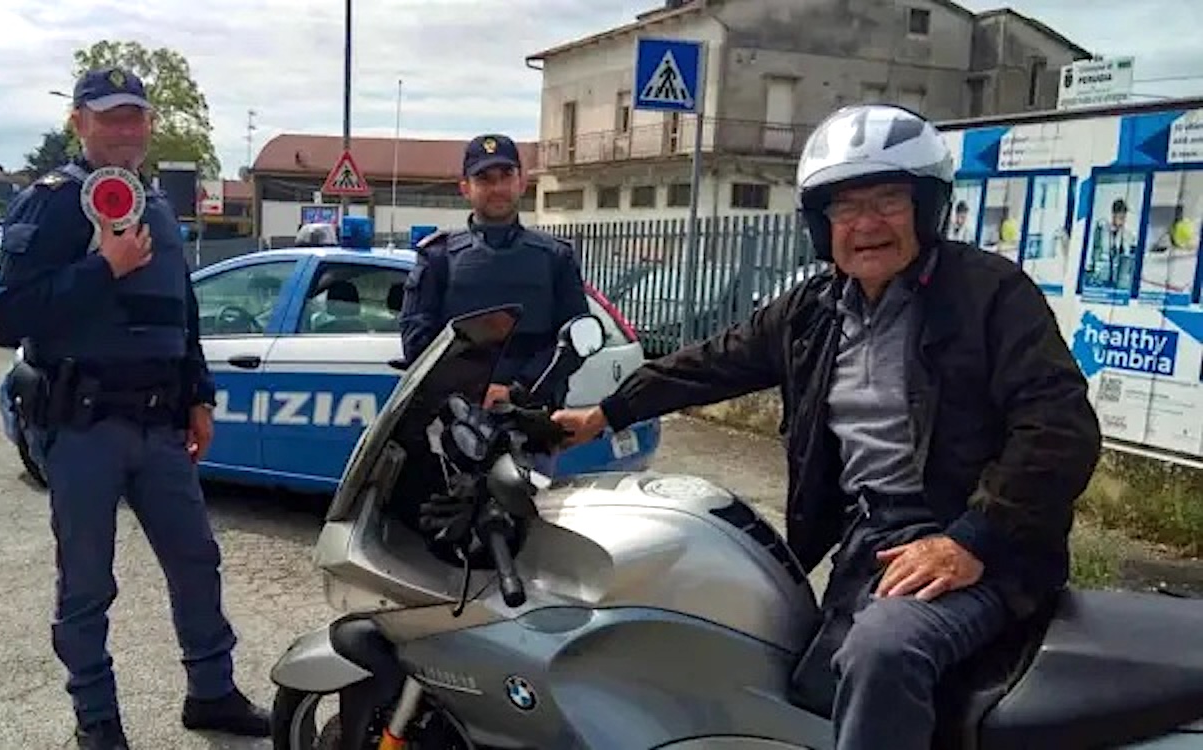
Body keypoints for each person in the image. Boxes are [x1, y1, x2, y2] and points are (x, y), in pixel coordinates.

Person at [550, 104, 1102, 750]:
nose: (866, 224)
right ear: (821, 223)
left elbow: (1058, 427)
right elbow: (712, 364)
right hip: (870, 541)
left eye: (889, 200)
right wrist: (605, 414)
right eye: (845, 207)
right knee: (797, 678)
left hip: (983, 546)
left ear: (926, 208)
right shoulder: (815, 310)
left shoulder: (990, 295)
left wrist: (970, 542)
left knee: (883, 653)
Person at [0, 67, 269, 749]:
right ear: (78, 122)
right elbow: (6, 314)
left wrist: (198, 393)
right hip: (83, 425)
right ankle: (98, 720)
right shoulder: (53, 203)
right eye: (109, 116)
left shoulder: (159, 204)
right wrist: (100, 268)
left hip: (160, 424)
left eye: (135, 116)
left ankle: (211, 691)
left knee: (197, 560)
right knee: (87, 584)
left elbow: (183, 309)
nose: (124, 129)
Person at [398, 133, 590, 411]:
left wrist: (517, 389)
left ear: (522, 183)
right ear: (465, 188)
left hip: (530, 414)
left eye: (505, 176)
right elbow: (417, 341)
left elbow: (576, 338)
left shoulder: (556, 257)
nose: (497, 188)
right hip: (455, 414)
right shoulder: (439, 257)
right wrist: (475, 389)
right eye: (485, 179)